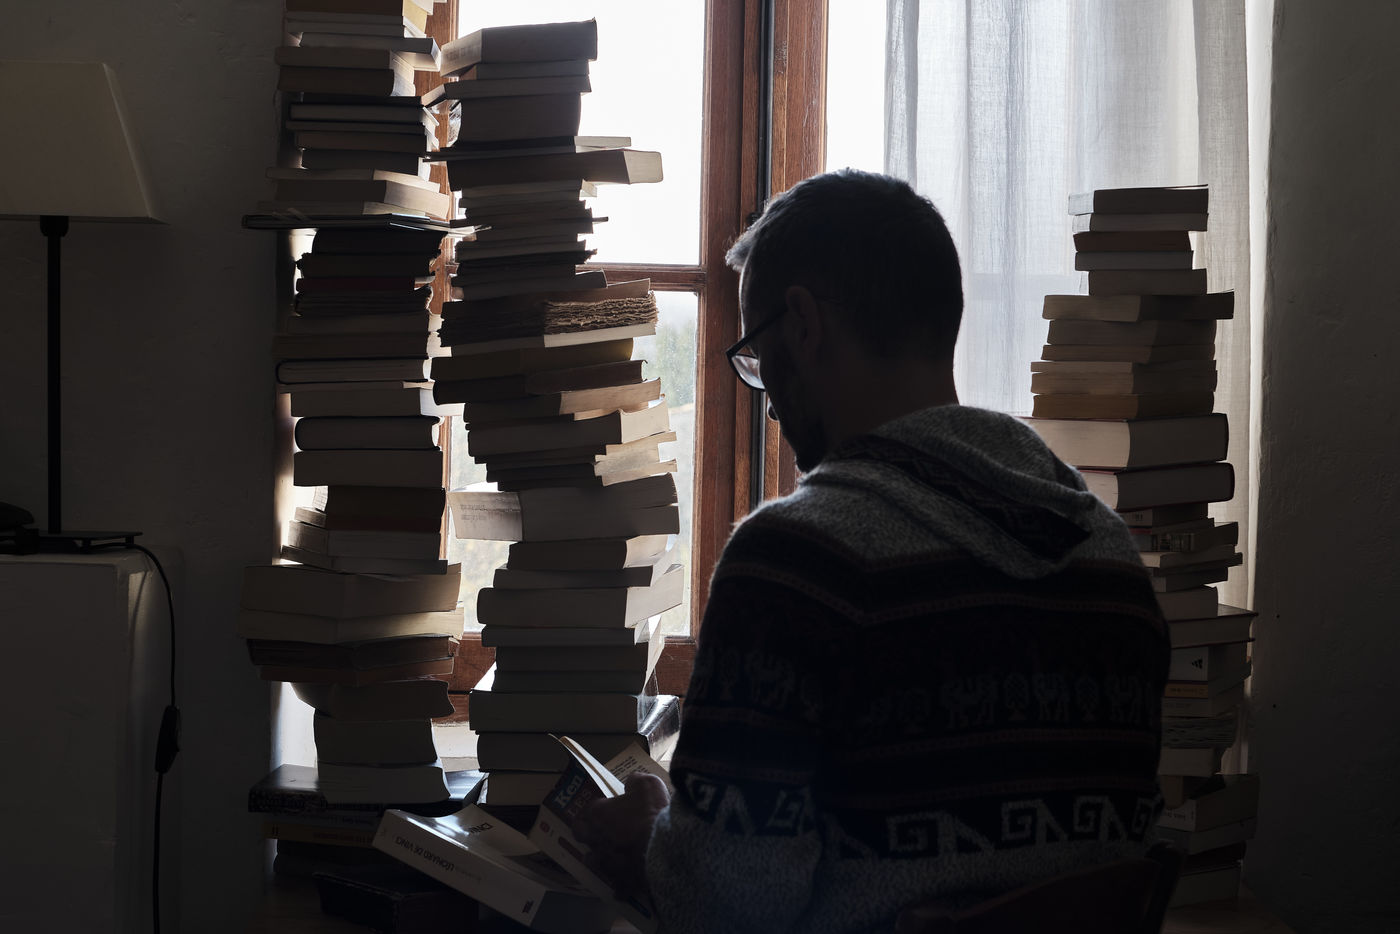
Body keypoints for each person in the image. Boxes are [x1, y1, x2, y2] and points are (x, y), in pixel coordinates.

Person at [575, 169, 1169, 933]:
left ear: (803, 325)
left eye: (757, 355)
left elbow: (725, 905)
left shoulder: (796, 564)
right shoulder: (1108, 556)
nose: (769, 396)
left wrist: (651, 839)